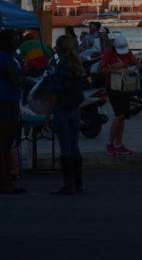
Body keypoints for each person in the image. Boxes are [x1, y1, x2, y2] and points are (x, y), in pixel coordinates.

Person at [46, 34, 86, 195]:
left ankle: (68, 183)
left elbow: (54, 91)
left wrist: (48, 113)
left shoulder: (57, 64)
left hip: (62, 108)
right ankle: (79, 182)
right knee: (75, 144)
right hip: (75, 108)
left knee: (65, 145)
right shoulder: (76, 64)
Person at [99, 34, 140, 155]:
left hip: (125, 86)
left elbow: (138, 64)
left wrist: (127, 67)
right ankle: (111, 142)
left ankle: (118, 143)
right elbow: (101, 69)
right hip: (113, 86)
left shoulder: (128, 53)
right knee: (119, 115)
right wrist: (113, 69)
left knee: (123, 116)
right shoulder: (108, 54)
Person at [0, 30, 23, 195]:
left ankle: (6, 182)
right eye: (14, 38)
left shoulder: (8, 56)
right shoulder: (5, 57)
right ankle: (5, 184)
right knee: (4, 145)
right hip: (6, 103)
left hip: (9, 101)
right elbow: (14, 81)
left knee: (6, 144)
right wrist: (25, 73)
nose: (17, 40)